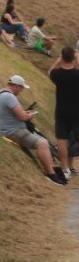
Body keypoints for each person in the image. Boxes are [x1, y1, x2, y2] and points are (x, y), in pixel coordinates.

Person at [0, 72, 68, 184]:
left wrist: (25, 113)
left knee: (43, 142)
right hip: (14, 131)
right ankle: (50, 174)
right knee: (43, 143)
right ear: (16, 86)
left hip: (8, 129)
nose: (21, 91)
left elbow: (13, 113)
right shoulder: (10, 97)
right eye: (21, 88)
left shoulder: (0, 94)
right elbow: (23, 117)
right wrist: (31, 115)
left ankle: (52, 169)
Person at [50, 47, 79, 179]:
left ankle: (65, 169)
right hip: (76, 112)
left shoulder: (57, 74)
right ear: (73, 58)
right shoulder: (76, 75)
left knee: (62, 140)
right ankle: (70, 164)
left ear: (62, 57)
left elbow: (50, 71)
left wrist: (58, 61)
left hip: (61, 111)